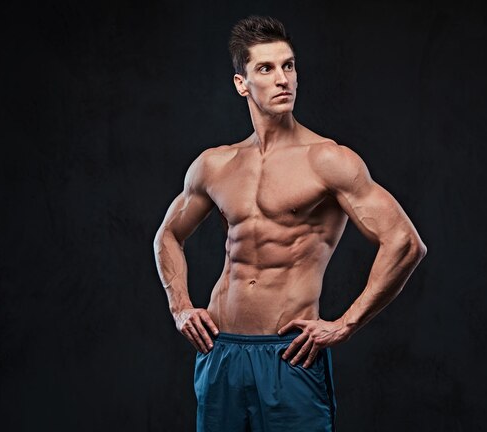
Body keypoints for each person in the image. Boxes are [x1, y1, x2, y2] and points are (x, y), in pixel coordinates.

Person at [153, 15, 427, 432]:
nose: (283, 79)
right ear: (241, 84)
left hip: (289, 356)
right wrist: (180, 308)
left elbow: (405, 243)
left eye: (289, 65)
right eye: (266, 68)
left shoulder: (328, 160)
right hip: (220, 352)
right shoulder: (215, 164)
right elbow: (168, 235)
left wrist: (346, 323)